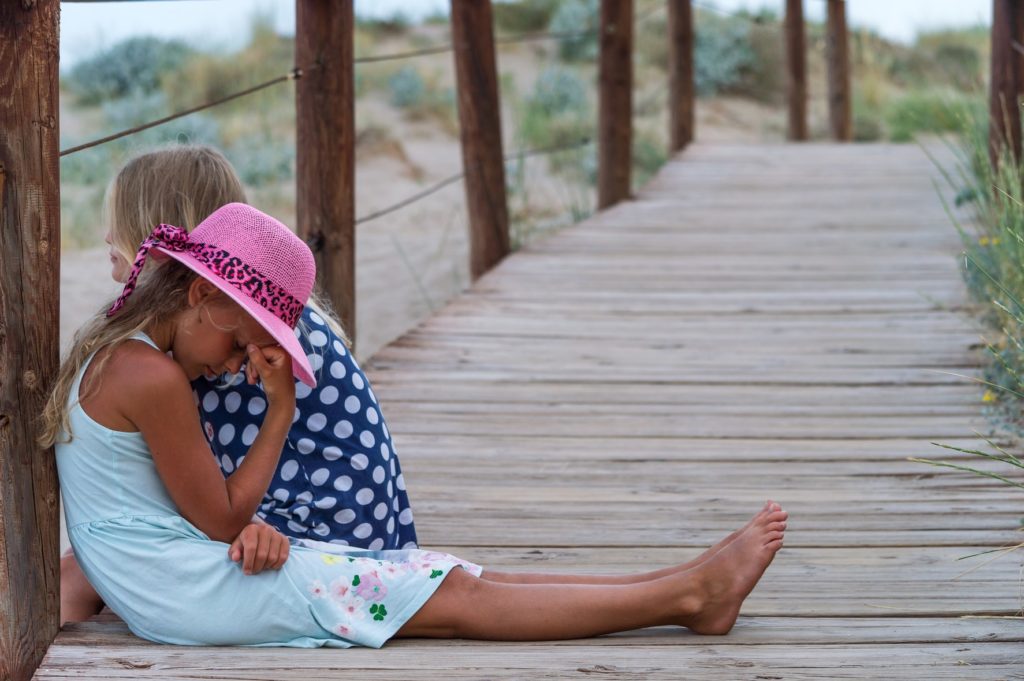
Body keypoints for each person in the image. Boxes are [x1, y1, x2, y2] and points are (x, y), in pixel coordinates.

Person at [44, 202, 787, 646]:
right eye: (241, 343)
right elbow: (220, 518)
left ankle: (678, 582)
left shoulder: (123, 355)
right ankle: (686, 597)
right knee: (451, 598)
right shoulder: (153, 375)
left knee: (446, 576)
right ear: (202, 294)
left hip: (180, 582)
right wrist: (279, 409)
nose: (237, 363)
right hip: (191, 589)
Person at [61, 145, 416, 624]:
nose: (107, 236)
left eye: (120, 226)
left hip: (323, 531)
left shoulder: (238, 335)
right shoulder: (245, 313)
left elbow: (212, 510)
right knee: (82, 568)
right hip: (355, 524)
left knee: (84, 575)